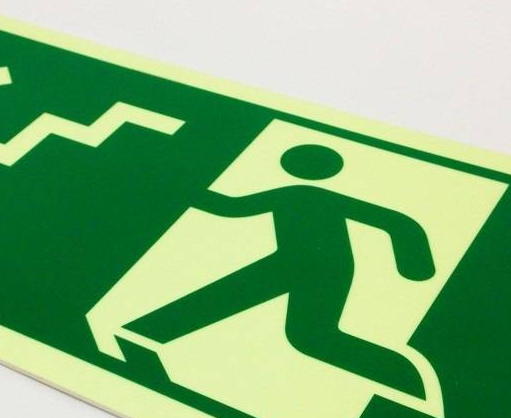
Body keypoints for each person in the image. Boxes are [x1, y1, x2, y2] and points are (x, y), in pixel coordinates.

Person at [122, 143, 435, 398]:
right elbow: (398, 223)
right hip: (303, 265)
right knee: (313, 336)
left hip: (315, 268)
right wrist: (187, 191)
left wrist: (415, 263)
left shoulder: (299, 195)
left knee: (310, 336)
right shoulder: (295, 194)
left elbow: (396, 223)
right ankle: (406, 380)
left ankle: (405, 381)